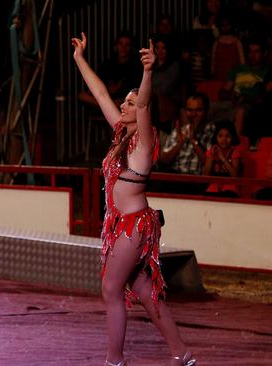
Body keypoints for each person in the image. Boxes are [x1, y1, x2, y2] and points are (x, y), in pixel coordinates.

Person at [72, 32, 195, 366]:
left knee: (111, 289)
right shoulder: (119, 135)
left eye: (127, 102)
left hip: (134, 226)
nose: (123, 106)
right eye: (123, 103)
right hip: (121, 225)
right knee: (143, 290)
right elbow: (99, 93)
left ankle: (114, 360)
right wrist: (80, 59)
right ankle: (182, 354)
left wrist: (148, 72)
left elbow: (143, 104)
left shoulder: (143, 142)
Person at [159, 93, 216, 176]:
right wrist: (179, 144)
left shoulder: (213, 130)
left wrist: (194, 140)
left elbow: (208, 164)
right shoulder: (179, 130)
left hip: (196, 179)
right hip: (174, 176)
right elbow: (163, 161)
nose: (193, 114)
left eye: (198, 110)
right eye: (190, 110)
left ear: (206, 111)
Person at [203, 121, 241, 197]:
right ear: (216, 137)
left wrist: (222, 157)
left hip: (230, 188)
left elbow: (235, 176)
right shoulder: (211, 151)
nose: (224, 139)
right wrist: (212, 156)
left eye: (227, 136)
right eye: (220, 136)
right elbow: (205, 175)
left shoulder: (235, 152)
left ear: (232, 137)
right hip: (213, 187)